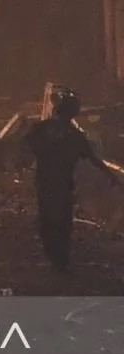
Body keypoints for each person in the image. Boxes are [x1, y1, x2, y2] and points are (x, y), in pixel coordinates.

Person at [25, 87, 116, 270]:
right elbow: (92, 158)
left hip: (47, 182)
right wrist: (110, 175)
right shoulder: (74, 136)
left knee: (50, 220)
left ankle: (56, 256)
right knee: (62, 221)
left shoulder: (43, 129)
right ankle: (60, 258)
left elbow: (27, 146)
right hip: (61, 184)